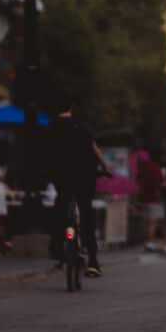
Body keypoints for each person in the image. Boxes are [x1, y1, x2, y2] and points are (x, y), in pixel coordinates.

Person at [44, 101, 106, 275]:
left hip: (62, 177)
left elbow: (46, 154)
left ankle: (56, 245)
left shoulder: (51, 128)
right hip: (84, 177)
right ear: (71, 109)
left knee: (61, 204)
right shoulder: (82, 127)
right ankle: (93, 260)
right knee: (86, 213)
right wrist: (106, 169)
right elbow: (95, 150)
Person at [136, 148, 166, 254]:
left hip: (147, 199)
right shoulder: (155, 168)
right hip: (156, 200)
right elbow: (159, 183)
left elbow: (141, 183)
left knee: (152, 222)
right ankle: (163, 244)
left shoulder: (143, 168)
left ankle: (152, 243)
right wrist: (164, 185)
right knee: (159, 222)